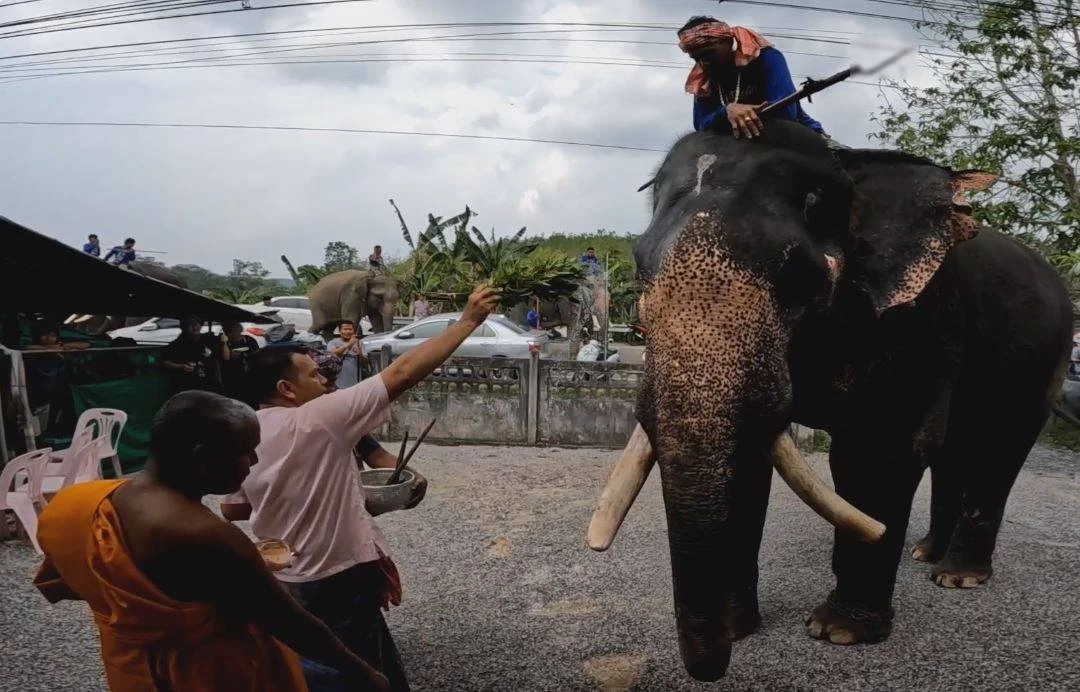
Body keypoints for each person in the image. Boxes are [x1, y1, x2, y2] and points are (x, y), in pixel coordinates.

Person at [220, 283, 501, 692]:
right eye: (315, 375)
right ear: (287, 390)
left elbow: (235, 510)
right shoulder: (318, 418)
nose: (326, 381)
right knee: (360, 668)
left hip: (282, 577)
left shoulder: (244, 431)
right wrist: (469, 320)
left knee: (308, 663)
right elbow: (403, 373)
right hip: (336, 577)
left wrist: (331, 497)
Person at [33, 391, 390, 692]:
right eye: (246, 451)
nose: (253, 462)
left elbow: (77, 577)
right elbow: (290, 622)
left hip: (130, 665)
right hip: (204, 673)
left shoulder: (79, 504)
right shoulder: (205, 535)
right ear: (203, 456)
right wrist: (365, 673)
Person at [677, 16, 830, 143]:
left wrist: (741, 114)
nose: (704, 62)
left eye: (709, 53)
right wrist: (727, 111)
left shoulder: (766, 57)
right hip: (734, 146)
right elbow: (701, 125)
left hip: (794, 137)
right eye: (696, 58)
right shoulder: (702, 79)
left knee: (846, 166)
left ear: (728, 42)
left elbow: (786, 112)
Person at [23, 322, 90, 437]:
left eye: (52, 335)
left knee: (49, 423)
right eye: (44, 335)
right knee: (33, 427)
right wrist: (52, 348)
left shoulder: (60, 349)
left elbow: (86, 344)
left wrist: (64, 347)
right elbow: (26, 348)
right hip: (35, 393)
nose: (49, 338)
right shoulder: (32, 349)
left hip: (54, 393)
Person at [160, 316, 224, 395]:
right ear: (185, 327)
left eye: (196, 324)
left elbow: (225, 356)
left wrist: (225, 342)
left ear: (200, 325)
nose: (194, 327)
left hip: (210, 385)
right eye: (190, 325)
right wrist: (181, 366)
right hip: (187, 386)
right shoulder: (178, 344)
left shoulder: (210, 339)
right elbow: (164, 361)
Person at [220, 321, 260, 401]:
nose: (230, 335)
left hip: (248, 373)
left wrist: (247, 356)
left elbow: (257, 355)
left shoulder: (249, 340)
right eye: (228, 333)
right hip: (231, 376)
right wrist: (231, 356)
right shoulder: (225, 342)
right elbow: (225, 359)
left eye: (236, 331)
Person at [327, 320, 365, 389]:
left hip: (355, 384)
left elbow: (364, 362)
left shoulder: (359, 343)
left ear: (354, 331)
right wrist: (349, 344)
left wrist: (360, 353)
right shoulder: (333, 342)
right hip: (337, 385)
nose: (348, 331)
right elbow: (332, 354)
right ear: (340, 330)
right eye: (345, 329)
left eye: (350, 329)